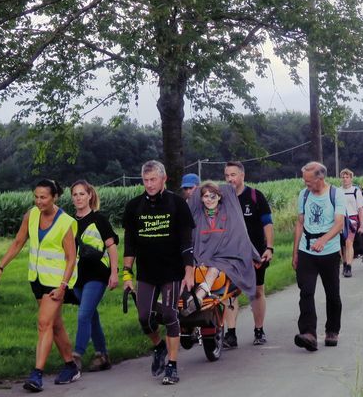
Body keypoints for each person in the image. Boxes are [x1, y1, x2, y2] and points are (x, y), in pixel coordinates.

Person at [0, 179, 80, 392]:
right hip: (37, 280)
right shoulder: (31, 215)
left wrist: (63, 286)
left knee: (43, 323)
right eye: (36, 197)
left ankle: (36, 374)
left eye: (43, 197)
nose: (39, 201)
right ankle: (71, 365)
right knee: (54, 324)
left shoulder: (65, 222)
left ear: (55, 197)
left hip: (57, 282)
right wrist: (0, 266)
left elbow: (71, 258)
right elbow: (18, 242)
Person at [123, 160, 195, 386]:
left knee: (170, 315)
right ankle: (159, 346)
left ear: (164, 179)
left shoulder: (177, 204)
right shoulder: (134, 206)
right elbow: (130, 245)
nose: (149, 184)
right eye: (145, 180)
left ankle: (172, 365)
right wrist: (126, 274)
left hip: (172, 271)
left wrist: (189, 270)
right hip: (146, 272)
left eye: (153, 179)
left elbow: (186, 242)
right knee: (144, 318)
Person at [185, 182, 262, 314]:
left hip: (225, 258)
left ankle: (198, 297)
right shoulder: (197, 217)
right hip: (201, 258)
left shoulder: (229, 216)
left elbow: (241, 236)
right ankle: (173, 302)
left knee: (214, 268)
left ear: (220, 197)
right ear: (201, 198)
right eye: (205, 196)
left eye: (213, 196)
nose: (209, 200)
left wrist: (254, 255)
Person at [292, 162, 346, 351]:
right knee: (306, 292)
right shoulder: (304, 195)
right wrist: (295, 252)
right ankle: (308, 334)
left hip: (329, 251)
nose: (306, 185)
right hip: (307, 251)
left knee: (332, 294)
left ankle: (332, 331)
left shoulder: (336, 194)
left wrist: (323, 240)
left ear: (320, 178)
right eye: (304, 181)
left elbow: (339, 224)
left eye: (309, 182)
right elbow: (300, 223)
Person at [223, 161, 275, 348]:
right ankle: (231, 333)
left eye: (233, 175)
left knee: (257, 291)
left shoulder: (255, 196)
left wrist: (269, 248)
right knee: (229, 293)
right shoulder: (222, 198)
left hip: (255, 254)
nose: (230, 179)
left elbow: (267, 224)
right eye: (227, 175)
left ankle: (259, 329)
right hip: (230, 255)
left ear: (242, 176)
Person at [70, 180, 119, 373]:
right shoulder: (70, 223)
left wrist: (114, 273)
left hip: (98, 274)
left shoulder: (99, 219)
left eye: (82, 194)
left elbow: (112, 247)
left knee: (83, 314)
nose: (79, 198)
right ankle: (102, 355)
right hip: (77, 276)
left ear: (90, 195)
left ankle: (76, 356)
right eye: (75, 194)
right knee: (91, 315)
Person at [339, 169, 363, 278]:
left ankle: (349, 267)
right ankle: (344, 262)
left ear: (351, 178)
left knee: (349, 242)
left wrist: (362, 225)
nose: (345, 179)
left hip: (352, 219)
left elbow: (360, 209)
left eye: (347, 177)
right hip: (340, 219)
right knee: (342, 245)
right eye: (343, 177)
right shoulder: (338, 191)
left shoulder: (356, 191)